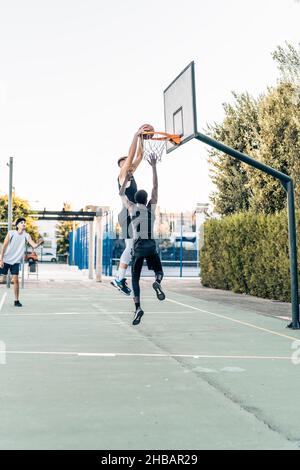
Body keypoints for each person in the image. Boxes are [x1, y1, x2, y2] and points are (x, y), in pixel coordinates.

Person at [119, 153, 165, 325]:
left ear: (135, 200)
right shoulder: (151, 208)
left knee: (135, 280)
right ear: (147, 200)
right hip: (151, 247)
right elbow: (155, 186)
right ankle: (157, 282)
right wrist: (153, 166)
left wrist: (127, 178)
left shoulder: (131, 208)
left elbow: (121, 193)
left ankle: (138, 307)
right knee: (159, 271)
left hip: (137, 249)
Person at [111, 123, 154, 295]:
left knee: (132, 247)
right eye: (123, 162)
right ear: (121, 165)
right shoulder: (122, 175)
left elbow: (139, 155)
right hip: (128, 215)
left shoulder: (131, 174)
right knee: (131, 247)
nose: (127, 162)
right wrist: (136, 135)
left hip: (133, 214)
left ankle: (119, 278)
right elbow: (131, 155)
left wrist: (142, 140)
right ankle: (118, 278)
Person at [0, 218, 44, 307]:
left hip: (15, 261)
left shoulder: (26, 235)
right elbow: (4, 246)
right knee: (1, 280)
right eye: (21, 222)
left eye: (25, 223)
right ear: (17, 225)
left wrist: (39, 242)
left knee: (16, 280)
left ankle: (16, 301)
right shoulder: (11, 233)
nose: (24, 224)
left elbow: (34, 245)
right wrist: (1, 259)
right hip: (6, 260)